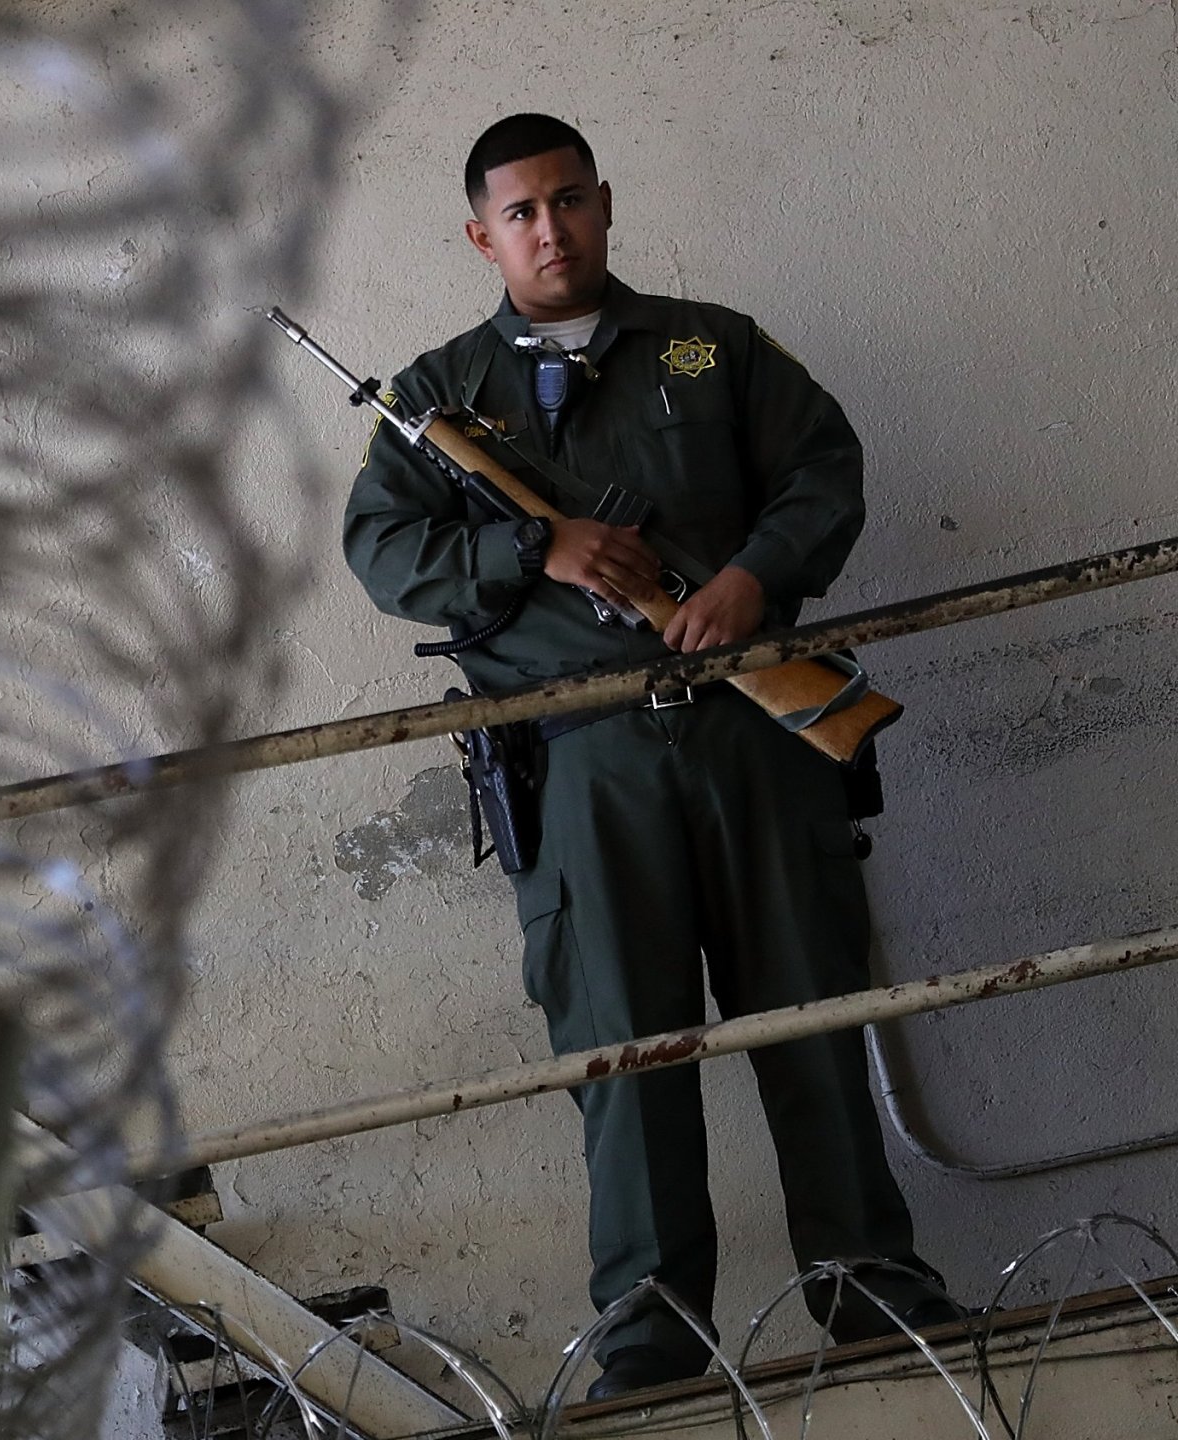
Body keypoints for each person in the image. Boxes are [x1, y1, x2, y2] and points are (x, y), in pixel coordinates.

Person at [340, 113, 956, 1401]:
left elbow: (823, 471)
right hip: (583, 763)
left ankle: (874, 1296)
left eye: (568, 201)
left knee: (814, 1019)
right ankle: (653, 1342)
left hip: (752, 733)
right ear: (479, 235)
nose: (549, 230)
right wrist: (530, 550)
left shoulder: (712, 346)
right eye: (520, 213)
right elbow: (384, 555)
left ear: (605, 205)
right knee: (623, 1054)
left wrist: (750, 578)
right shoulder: (435, 394)